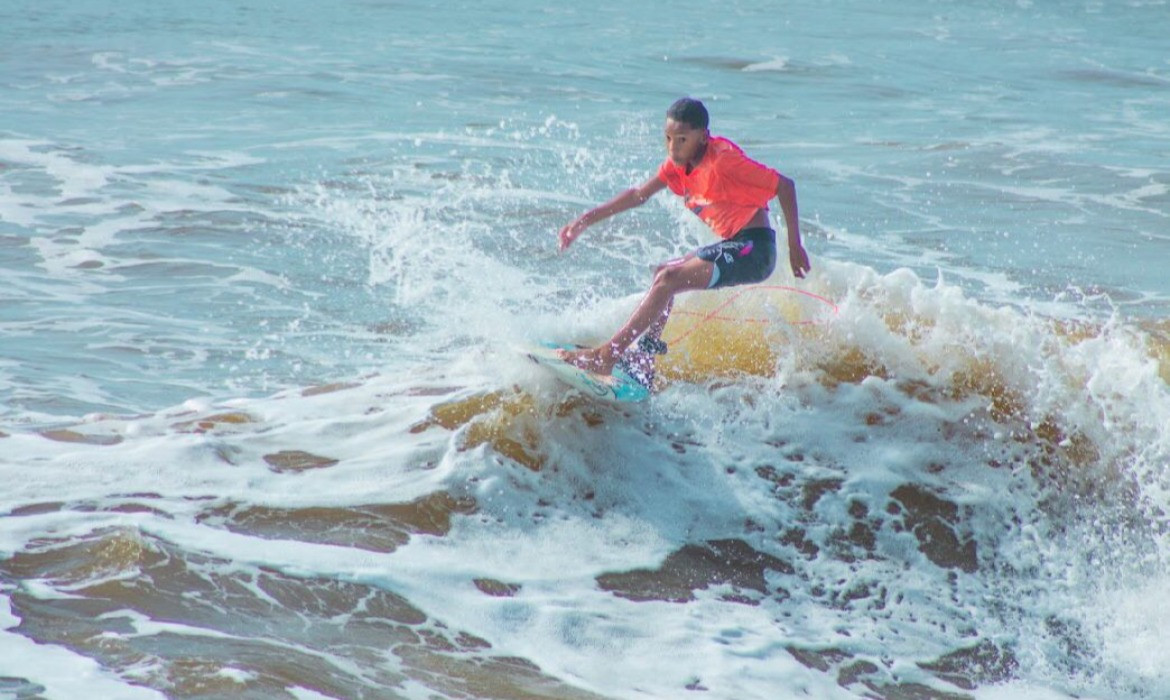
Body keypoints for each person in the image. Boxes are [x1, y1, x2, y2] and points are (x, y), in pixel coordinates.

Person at [557, 97, 810, 378]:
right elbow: (638, 195)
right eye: (668, 138)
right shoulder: (677, 166)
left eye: (681, 139)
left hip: (756, 250)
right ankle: (644, 359)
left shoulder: (724, 161)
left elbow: (785, 186)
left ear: (702, 137)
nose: (673, 148)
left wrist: (794, 247)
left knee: (669, 280)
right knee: (662, 273)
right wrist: (583, 221)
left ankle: (606, 355)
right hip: (733, 244)